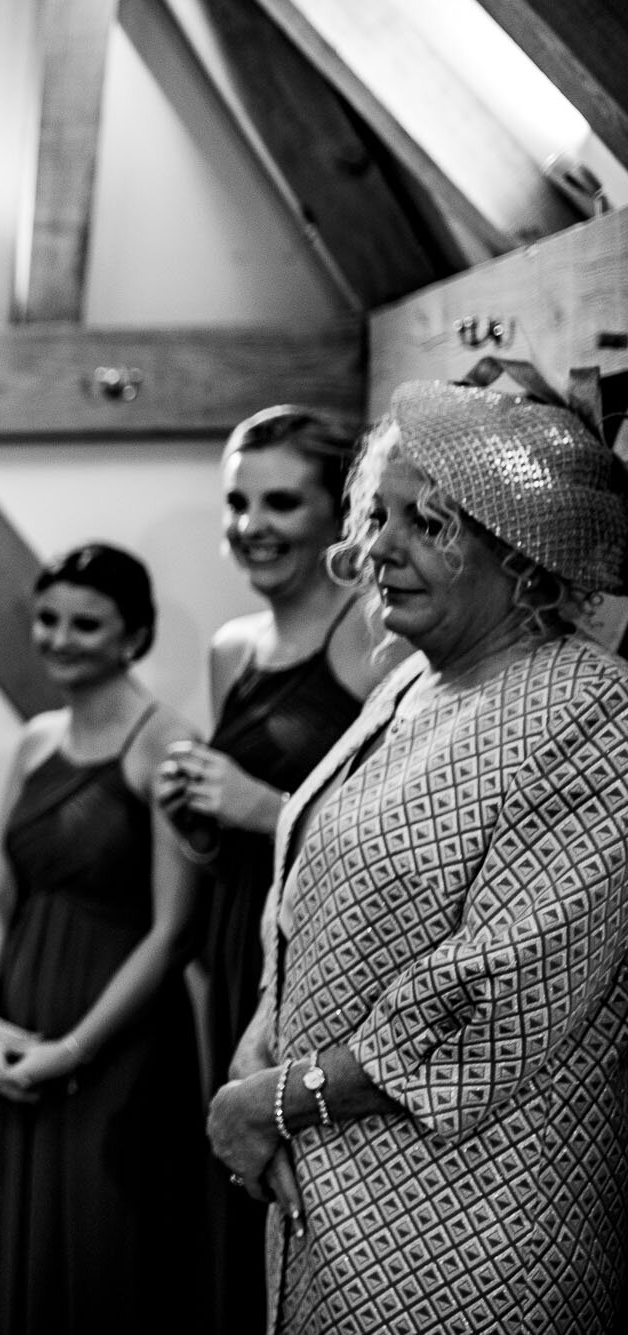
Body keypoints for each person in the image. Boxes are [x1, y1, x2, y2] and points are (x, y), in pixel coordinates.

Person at [207, 369, 628, 1334]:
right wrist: (265, 1032)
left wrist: (277, 1098)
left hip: (466, 1234)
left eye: (428, 524)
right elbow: (316, 885)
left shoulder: (593, 714)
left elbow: (495, 996)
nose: (375, 549)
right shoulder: (413, 685)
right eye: (378, 514)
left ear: (524, 553)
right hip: (334, 1206)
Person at [151, 406, 404, 1333]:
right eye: (237, 502)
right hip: (234, 938)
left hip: (323, 953)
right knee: (230, 1187)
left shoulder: (375, 640)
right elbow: (230, 834)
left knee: (306, 1193)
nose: (251, 524)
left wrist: (261, 804)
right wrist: (194, 813)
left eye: (281, 501)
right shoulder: (230, 649)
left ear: (338, 508)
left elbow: (387, 826)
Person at [0, 543, 208, 1334]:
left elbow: (174, 932)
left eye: (86, 623)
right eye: (48, 618)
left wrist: (74, 1049)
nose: (61, 638)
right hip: (15, 1020)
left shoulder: (168, 744)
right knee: (21, 1237)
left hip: (117, 1033)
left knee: (107, 1239)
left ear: (134, 634)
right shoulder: (33, 741)